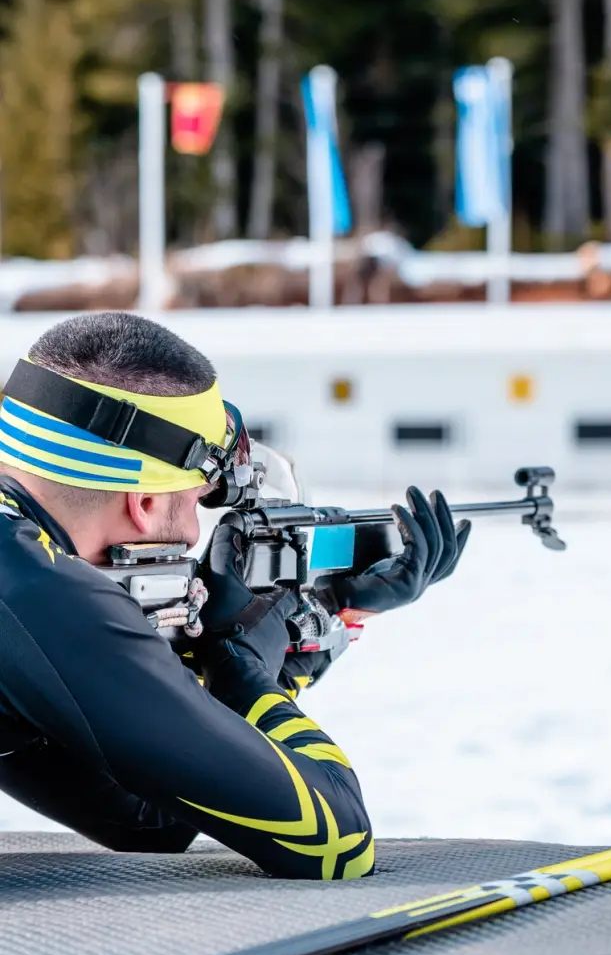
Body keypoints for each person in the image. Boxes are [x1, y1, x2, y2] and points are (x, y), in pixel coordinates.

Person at [0, 312, 470, 879]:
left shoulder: (22, 571)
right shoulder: (37, 588)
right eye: (198, 500)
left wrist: (314, 626)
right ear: (145, 502)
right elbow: (334, 843)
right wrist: (242, 667)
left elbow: (148, 816)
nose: (196, 534)